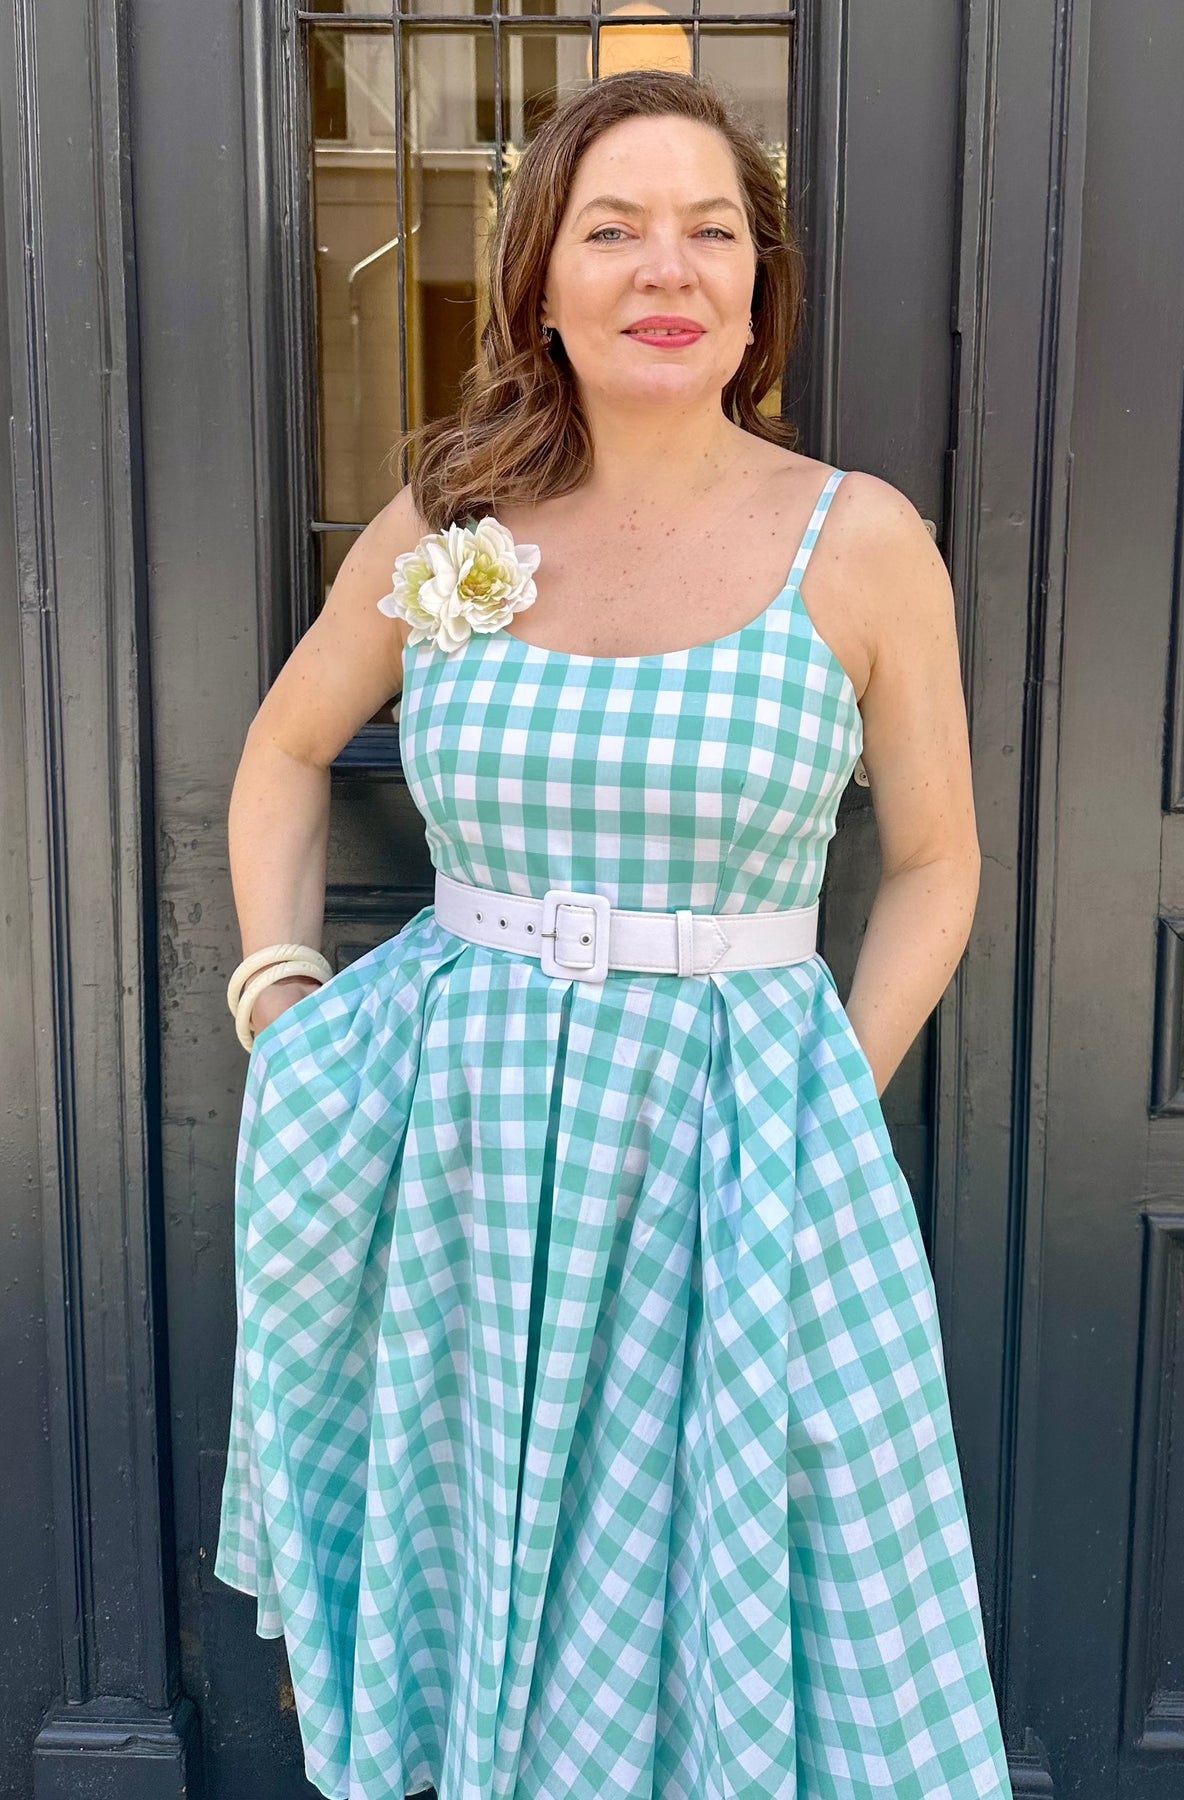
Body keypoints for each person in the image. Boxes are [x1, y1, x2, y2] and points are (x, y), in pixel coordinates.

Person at [214, 66, 1012, 1800]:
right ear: (543, 280)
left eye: (712, 231)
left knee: (734, 1570)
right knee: (475, 1536)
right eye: (615, 229)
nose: (669, 268)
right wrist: (284, 1000)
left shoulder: (862, 542)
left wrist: (827, 1095)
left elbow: (939, 863)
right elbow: (282, 753)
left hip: (736, 1141)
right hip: (457, 1140)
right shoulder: (451, 523)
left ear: (758, 286)